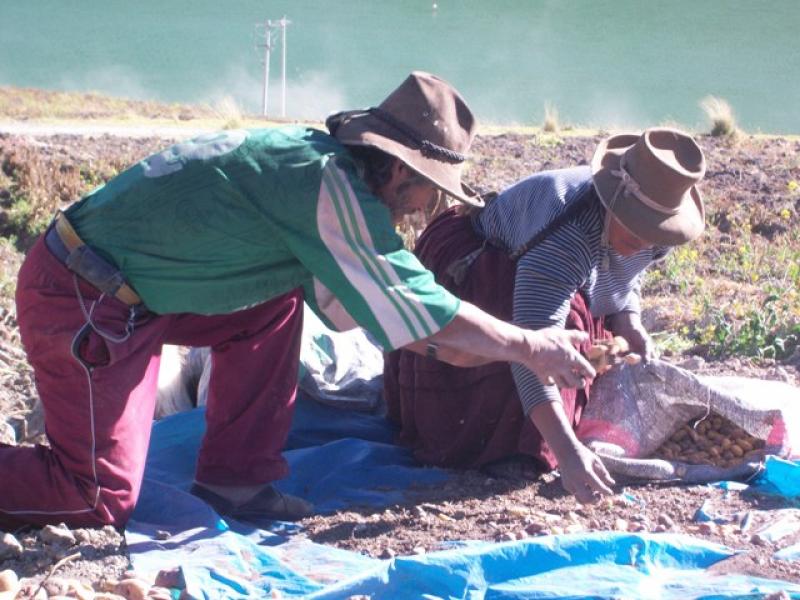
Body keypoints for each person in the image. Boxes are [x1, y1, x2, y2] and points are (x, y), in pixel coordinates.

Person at [3, 72, 596, 530]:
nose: (422, 210)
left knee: (273, 306)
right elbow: (428, 321)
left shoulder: (314, 167)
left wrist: (484, 343)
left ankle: (236, 480)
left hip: (137, 287)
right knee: (96, 495)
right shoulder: (328, 193)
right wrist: (531, 345)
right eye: (424, 192)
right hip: (84, 295)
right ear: (395, 172)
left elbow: (382, 319)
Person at [385, 128, 706, 503]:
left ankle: (543, 429)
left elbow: (626, 274)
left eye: (654, 231)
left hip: (555, 279)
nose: (647, 241)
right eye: (638, 228)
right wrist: (569, 455)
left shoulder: (650, 233)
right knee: (563, 333)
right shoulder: (567, 236)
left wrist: (627, 320)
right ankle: (505, 445)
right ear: (612, 203)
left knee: (579, 337)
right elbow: (532, 347)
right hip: (479, 267)